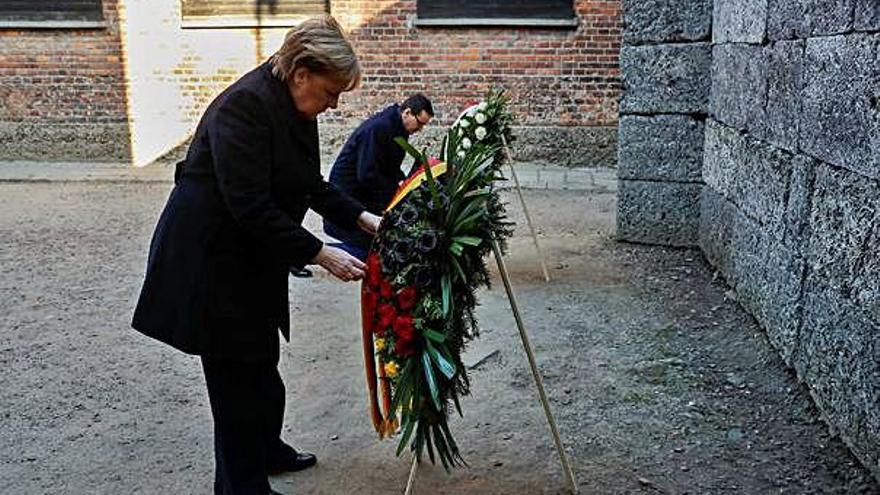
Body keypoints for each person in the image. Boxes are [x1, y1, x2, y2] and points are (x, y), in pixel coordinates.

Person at [131, 16, 379, 495]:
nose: (333, 105)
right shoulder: (245, 106)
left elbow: (309, 183)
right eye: (331, 93)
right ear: (302, 72)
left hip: (249, 256)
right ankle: (240, 486)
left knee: (261, 361)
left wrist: (364, 219)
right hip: (211, 258)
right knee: (234, 379)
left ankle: (266, 447)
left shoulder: (293, 105)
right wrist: (320, 253)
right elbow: (247, 203)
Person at [323, 94, 434, 261]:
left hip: (362, 192)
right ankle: (306, 254)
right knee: (367, 248)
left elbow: (387, 166)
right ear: (407, 112)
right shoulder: (380, 128)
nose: (419, 130)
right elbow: (367, 174)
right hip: (349, 193)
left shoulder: (396, 127)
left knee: (375, 244)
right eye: (419, 123)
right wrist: (391, 196)